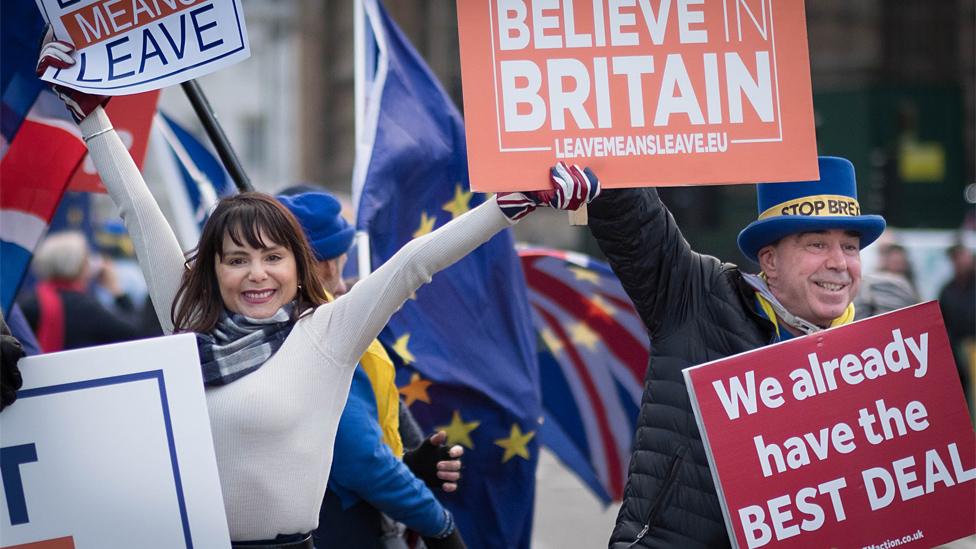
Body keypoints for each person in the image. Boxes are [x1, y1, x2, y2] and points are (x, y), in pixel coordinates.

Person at [38, 35, 599, 548]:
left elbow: (413, 264)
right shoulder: (188, 319)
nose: (256, 273)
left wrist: (512, 204)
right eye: (237, 259)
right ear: (213, 270)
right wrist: (91, 118)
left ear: (297, 265)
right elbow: (139, 212)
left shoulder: (326, 333)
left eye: (272, 257)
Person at [586, 156, 885, 548]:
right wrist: (601, 179)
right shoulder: (699, 296)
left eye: (850, 247)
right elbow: (636, 225)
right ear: (770, 261)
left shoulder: (877, 358)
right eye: (817, 244)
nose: (838, 263)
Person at [277, 190, 465, 548]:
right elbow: (361, 459)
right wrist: (442, 528)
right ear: (330, 265)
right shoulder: (319, 332)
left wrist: (410, 464)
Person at [19, 231, 142, 351]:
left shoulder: (30, 302)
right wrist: (117, 291)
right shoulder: (84, 307)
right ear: (78, 265)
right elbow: (135, 332)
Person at [938, 243, 974, 411]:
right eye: (955, 257)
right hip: (958, 348)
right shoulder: (947, 289)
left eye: (962, 256)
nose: (959, 261)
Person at [854, 242, 919, 319]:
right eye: (894, 261)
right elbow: (862, 306)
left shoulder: (908, 284)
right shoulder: (871, 281)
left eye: (899, 261)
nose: (896, 263)